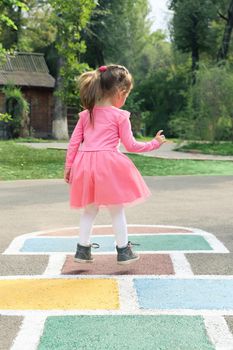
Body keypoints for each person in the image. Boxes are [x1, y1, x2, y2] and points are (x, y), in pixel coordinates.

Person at [64, 64, 166, 265]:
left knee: (89, 210)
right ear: (120, 92)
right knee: (116, 211)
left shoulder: (86, 114)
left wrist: (69, 167)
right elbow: (131, 145)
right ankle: (123, 251)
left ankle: (82, 250)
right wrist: (154, 143)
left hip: (84, 165)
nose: (125, 98)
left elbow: (74, 143)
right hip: (107, 166)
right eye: (126, 94)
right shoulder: (120, 116)